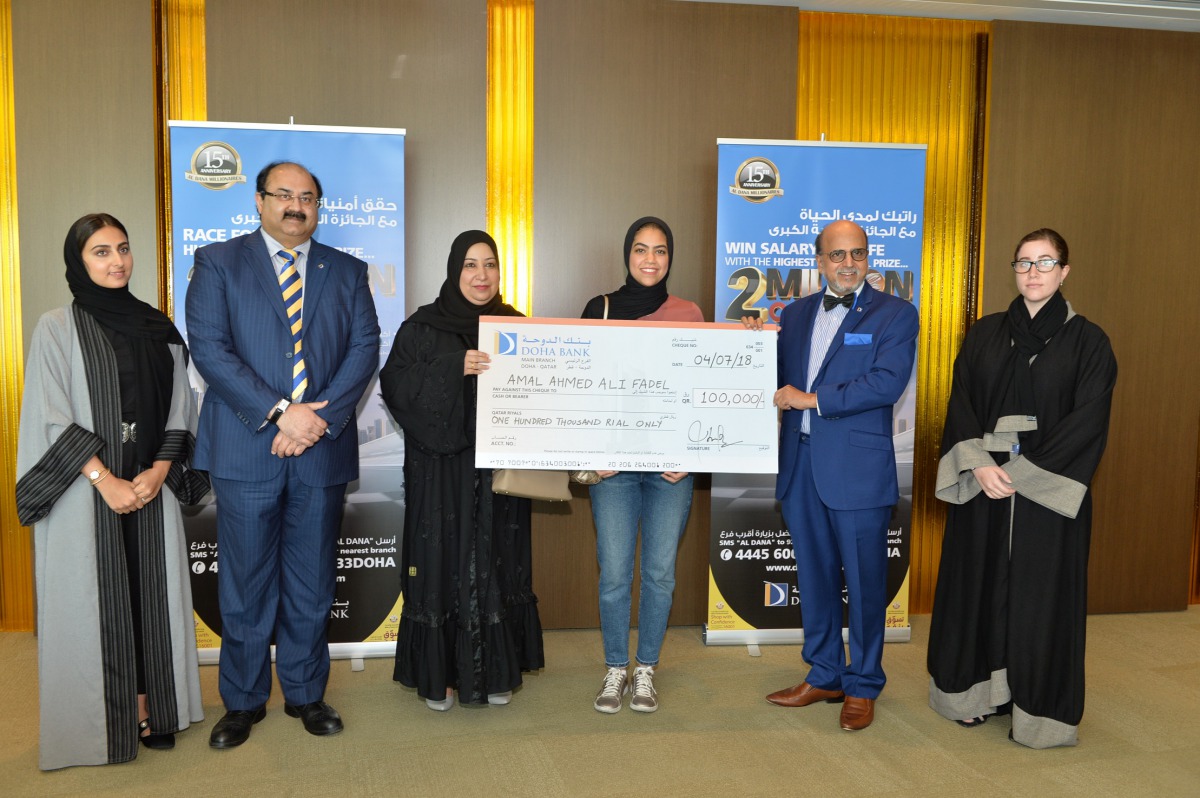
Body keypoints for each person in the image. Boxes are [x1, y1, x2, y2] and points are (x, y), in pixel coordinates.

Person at [186, 161, 380, 747]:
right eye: (284, 195)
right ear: (259, 200)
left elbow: (364, 349)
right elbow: (211, 350)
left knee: (312, 580)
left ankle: (305, 692)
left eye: (308, 197)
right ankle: (242, 701)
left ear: (318, 207)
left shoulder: (347, 271)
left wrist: (313, 421)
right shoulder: (218, 262)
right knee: (245, 583)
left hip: (318, 451)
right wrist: (280, 411)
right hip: (248, 449)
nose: (296, 206)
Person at [16, 213, 209, 770]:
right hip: (87, 489)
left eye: (122, 249)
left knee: (150, 598)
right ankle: (105, 721)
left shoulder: (157, 328)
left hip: (152, 485)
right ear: (78, 261)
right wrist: (105, 479)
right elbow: (50, 416)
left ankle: (154, 709)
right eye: (100, 252)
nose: (116, 261)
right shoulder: (56, 326)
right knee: (97, 600)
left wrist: (155, 471)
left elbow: (181, 406)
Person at [927, 228, 1116, 749]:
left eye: (1045, 262)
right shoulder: (985, 332)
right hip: (984, 485)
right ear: (1014, 270)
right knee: (978, 589)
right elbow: (961, 401)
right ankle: (972, 694)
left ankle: (1038, 712)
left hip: (1047, 492)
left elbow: (1089, 421)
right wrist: (981, 465)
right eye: (1024, 263)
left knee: (1041, 599)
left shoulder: (1090, 341)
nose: (1033, 272)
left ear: (1064, 271)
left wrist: (1021, 474)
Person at [755, 219, 918, 731]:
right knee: (816, 577)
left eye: (859, 254)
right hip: (801, 466)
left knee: (866, 583)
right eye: (838, 255)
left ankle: (864, 683)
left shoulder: (896, 313)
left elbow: (887, 383)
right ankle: (825, 672)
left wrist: (814, 400)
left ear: (868, 259)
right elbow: (773, 375)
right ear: (819, 261)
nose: (849, 264)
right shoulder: (797, 313)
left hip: (858, 470)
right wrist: (751, 342)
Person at [379, 229, 544, 711]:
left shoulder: (517, 325)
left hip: (499, 476)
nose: (481, 275)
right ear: (455, 270)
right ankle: (442, 676)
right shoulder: (422, 327)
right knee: (442, 565)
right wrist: (455, 366)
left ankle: (495, 673)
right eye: (471, 264)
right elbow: (397, 387)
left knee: (498, 561)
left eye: (490, 264)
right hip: (441, 477)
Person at [581, 217, 704, 714]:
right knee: (613, 573)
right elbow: (580, 386)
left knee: (659, 574)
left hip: (670, 469)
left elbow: (702, 391)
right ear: (626, 254)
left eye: (660, 251)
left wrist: (691, 455)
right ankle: (616, 669)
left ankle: (646, 669)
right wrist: (594, 452)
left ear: (670, 257)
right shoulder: (600, 309)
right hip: (613, 469)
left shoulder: (690, 313)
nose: (650, 260)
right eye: (640, 250)